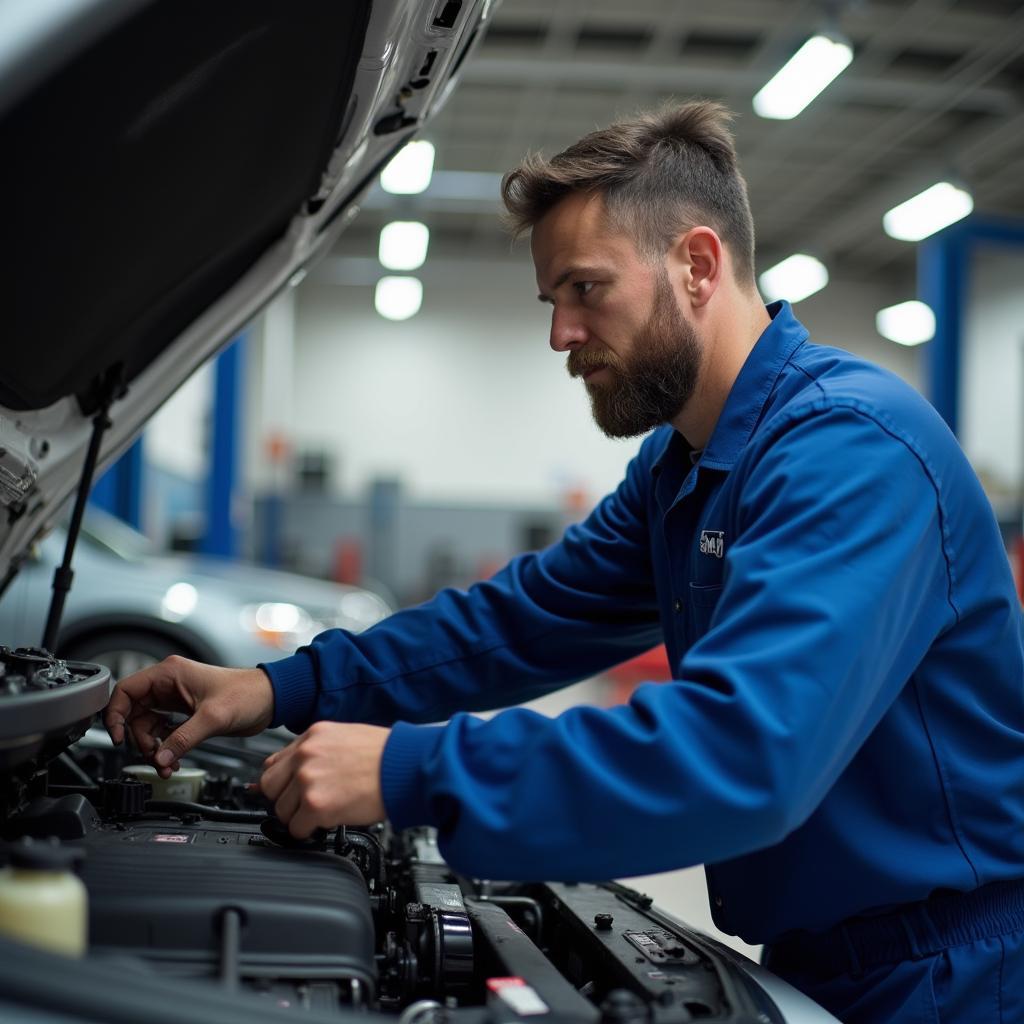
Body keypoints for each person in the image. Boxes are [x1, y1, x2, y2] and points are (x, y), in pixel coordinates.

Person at [104, 102, 1024, 1023]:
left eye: (588, 290)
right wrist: (274, 689)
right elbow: (515, 622)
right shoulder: (681, 469)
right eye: (554, 302)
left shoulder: (849, 449)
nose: (561, 336)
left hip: (951, 976)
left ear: (697, 265)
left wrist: (407, 769)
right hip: (826, 960)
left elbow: (742, 757)